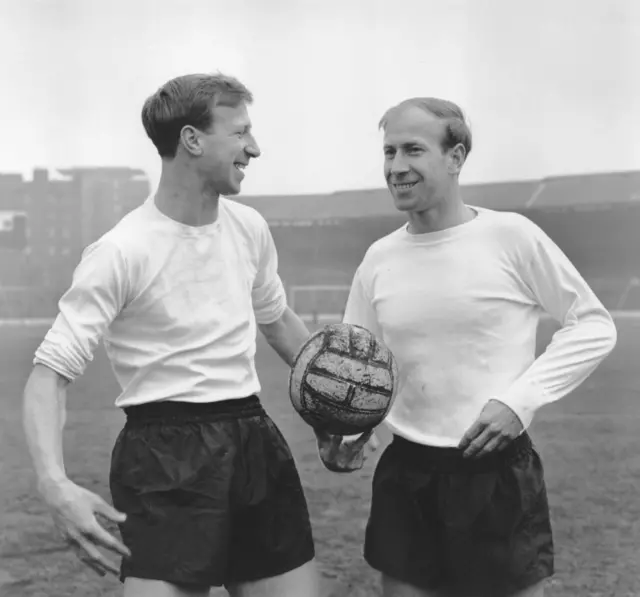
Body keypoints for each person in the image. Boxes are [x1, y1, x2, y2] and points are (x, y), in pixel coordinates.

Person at [22, 73, 321, 597]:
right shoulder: (122, 251)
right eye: (240, 132)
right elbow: (48, 376)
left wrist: (333, 410)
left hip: (254, 440)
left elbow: (277, 321)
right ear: (192, 140)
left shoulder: (249, 228)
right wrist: (54, 483)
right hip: (164, 457)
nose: (254, 147)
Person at [318, 97, 618, 597]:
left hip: (495, 474)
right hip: (408, 475)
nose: (396, 166)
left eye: (413, 149)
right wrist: (346, 432)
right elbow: (360, 365)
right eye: (388, 151)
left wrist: (518, 403)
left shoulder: (511, 237)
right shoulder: (378, 259)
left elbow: (592, 325)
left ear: (456, 157)